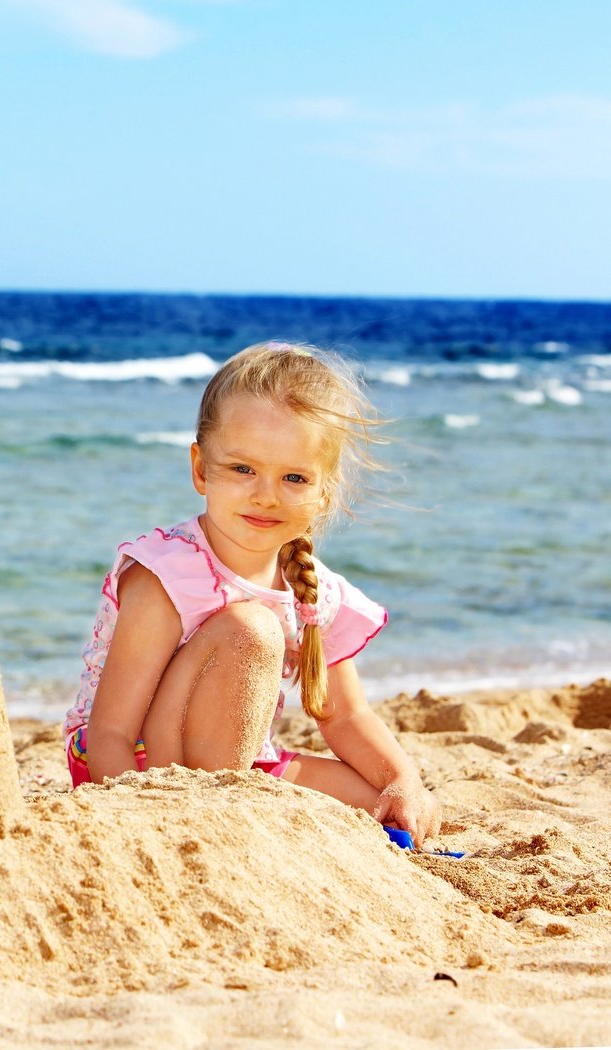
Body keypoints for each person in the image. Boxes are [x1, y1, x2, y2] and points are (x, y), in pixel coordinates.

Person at [63, 340, 442, 846]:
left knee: (381, 804)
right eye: (243, 469)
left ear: (324, 491)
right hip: (136, 764)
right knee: (251, 629)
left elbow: (346, 714)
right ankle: (216, 818)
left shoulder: (312, 590)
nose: (266, 494)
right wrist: (136, 825)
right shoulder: (168, 575)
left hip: (239, 762)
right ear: (200, 468)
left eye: (294, 477)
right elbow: (110, 731)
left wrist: (404, 781)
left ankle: (238, 804)